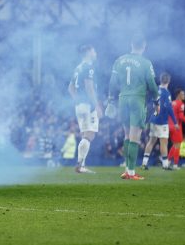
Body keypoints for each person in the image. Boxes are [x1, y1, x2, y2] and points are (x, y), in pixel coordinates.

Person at [108, 34, 158, 181]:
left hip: (122, 99)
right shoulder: (145, 62)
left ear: (131, 44)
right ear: (144, 46)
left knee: (127, 135)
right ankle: (131, 172)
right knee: (135, 137)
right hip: (137, 99)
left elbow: (112, 82)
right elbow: (152, 84)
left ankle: (126, 170)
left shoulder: (119, 60)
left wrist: (110, 100)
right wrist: (156, 100)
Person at [67, 44, 102, 174]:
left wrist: (78, 101)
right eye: (94, 50)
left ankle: (82, 165)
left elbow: (70, 88)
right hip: (88, 105)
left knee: (84, 134)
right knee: (89, 135)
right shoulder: (88, 67)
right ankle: (80, 165)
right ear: (88, 52)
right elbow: (89, 88)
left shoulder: (78, 68)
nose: (95, 53)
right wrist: (96, 105)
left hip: (79, 106)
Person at [141, 72, 176, 170]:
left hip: (153, 119)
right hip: (162, 121)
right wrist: (175, 122)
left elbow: (149, 103)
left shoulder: (155, 89)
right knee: (163, 143)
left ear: (160, 80)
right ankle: (165, 165)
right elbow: (169, 108)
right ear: (168, 81)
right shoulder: (166, 93)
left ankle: (144, 163)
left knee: (151, 141)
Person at [168, 89, 185, 170]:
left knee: (174, 145)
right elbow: (181, 117)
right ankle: (175, 165)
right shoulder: (181, 104)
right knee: (177, 145)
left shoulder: (172, 103)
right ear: (178, 95)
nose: (184, 95)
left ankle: (167, 162)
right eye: (182, 94)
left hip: (170, 126)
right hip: (176, 126)